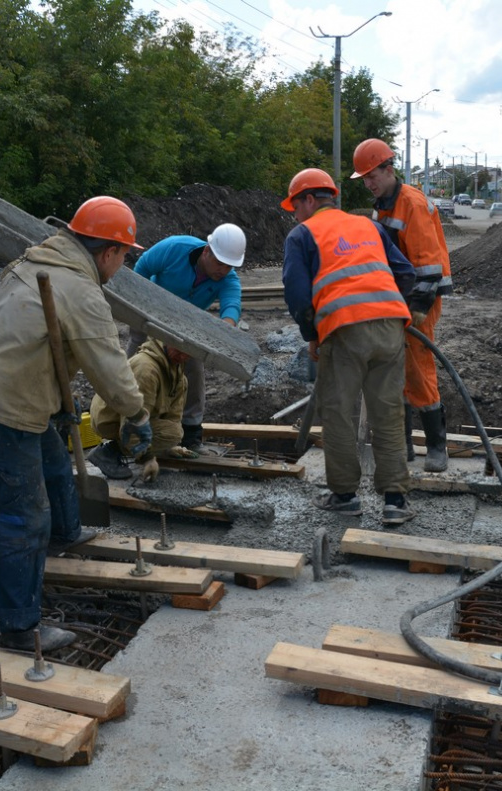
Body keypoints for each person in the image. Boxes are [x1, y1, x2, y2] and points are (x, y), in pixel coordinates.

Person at [0, 196, 153, 652]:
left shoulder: (39, 258)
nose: (121, 265)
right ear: (107, 252)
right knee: (23, 516)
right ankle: (19, 628)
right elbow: (111, 369)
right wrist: (137, 414)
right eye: (123, 256)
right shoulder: (81, 291)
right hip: (5, 404)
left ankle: (66, 533)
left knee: (55, 463)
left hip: (6, 383)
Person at [280, 167, 418, 526]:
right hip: (390, 328)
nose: (295, 215)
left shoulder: (302, 235)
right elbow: (405, 273)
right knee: (388, 412)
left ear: (309, 200)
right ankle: (395, 501)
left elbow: (296, 296)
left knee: (339, 412)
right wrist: (384, 307)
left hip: (343, 330)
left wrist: (313, 334)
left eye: (296, 207)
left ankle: (344, 497)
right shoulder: (368, 226)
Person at [351, 138, 453, 472]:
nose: (369, 183)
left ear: (388, 169)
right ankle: (405, 445)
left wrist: (417, 311)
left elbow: (428, 267)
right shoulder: (381, 205)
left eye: (372, 175)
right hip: (396, 298)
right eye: (364, 178)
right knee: (393, 369)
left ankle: (438, 446)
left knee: (418, 368)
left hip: (421, 296)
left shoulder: (411, 203)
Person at [130, 223, 247, 452]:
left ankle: (191, 430)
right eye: (220, 263)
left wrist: (226, 328)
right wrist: (137, 307)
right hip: (149, 311)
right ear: (206, 251)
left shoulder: (227, 279)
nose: (223, 270)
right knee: (136, 361)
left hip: (186, 326)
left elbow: (231, 306)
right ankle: (123, 418)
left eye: (230, 266)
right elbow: (142, 268)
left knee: (194, 366)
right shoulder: (174, 248)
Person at [87, 339, 195, 481]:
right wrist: (147, 458)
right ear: (166, 340)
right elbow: (132, 417)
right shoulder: (146, 370)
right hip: (110, 419)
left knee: (173, 434)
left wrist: (167, 447)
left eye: (187, 354)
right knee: (173, 433)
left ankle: (121, 448)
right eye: (179, 351)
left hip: (135, 417)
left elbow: (172, 418)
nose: (182, 357)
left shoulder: (178, 375)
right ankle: (109, 452)